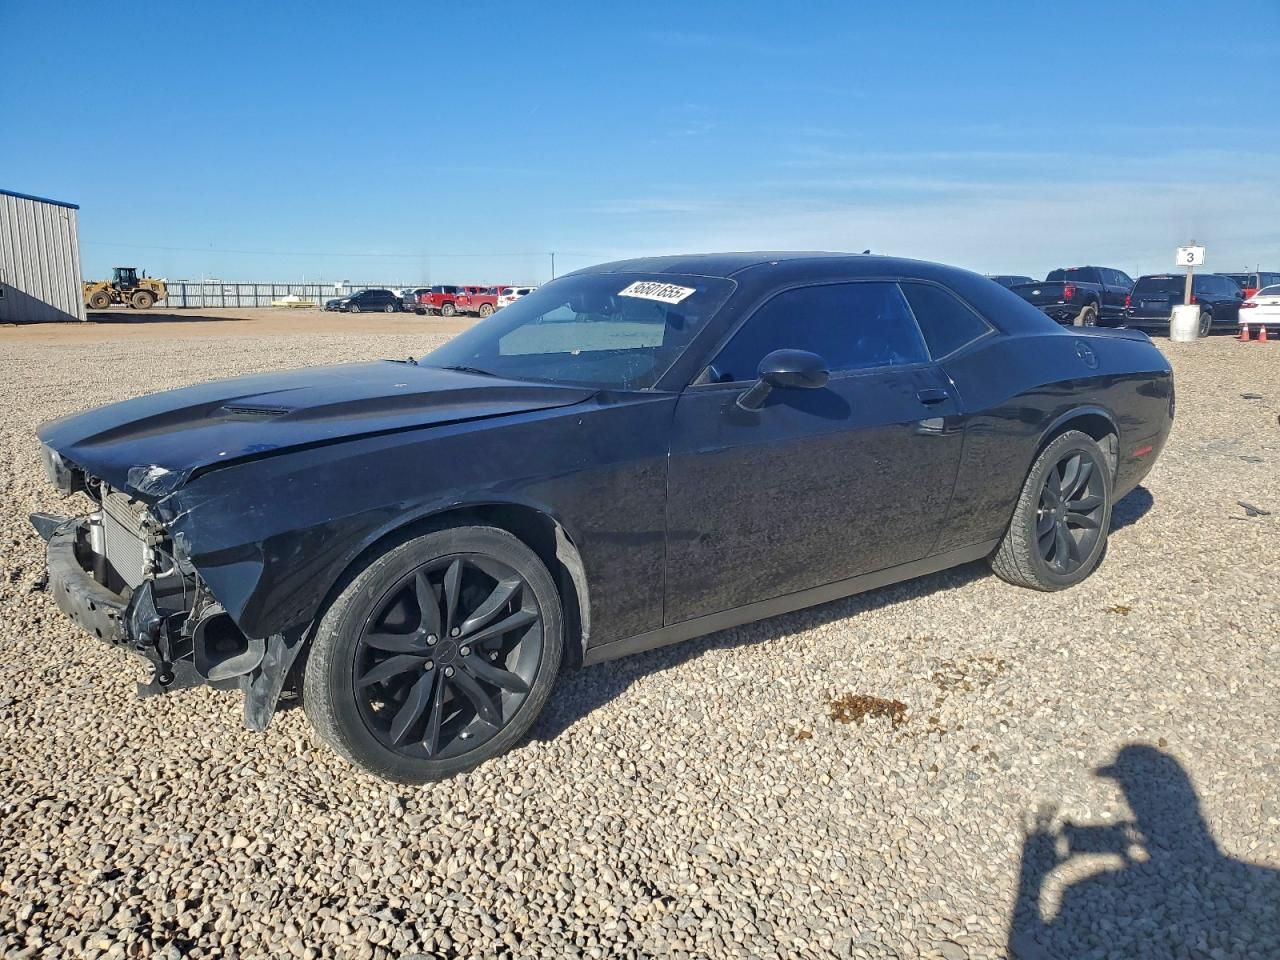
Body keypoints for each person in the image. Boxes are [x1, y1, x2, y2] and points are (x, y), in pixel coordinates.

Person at [1008, 744, 1280, 959]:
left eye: (1127, 789)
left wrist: (1032, 873)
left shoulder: (1078, 889)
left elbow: (1023, 936)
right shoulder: (1267, 882)